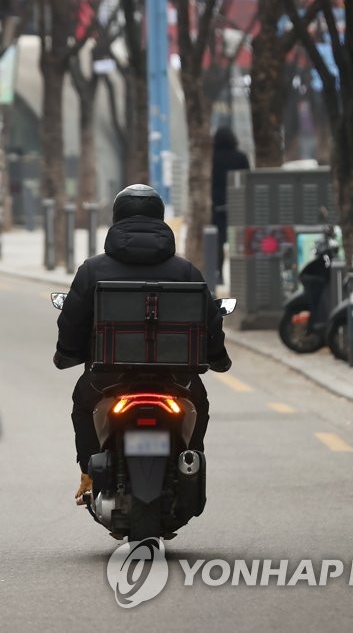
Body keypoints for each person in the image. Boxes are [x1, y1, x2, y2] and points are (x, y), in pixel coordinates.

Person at [54, 184, 231, 505]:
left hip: (108, 376)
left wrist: (67, 353)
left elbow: (72, 321)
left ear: (116, 218)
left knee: (83, 405)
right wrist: (218, 358)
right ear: (160, 218)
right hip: (176, 379)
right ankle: (189, 464)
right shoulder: (186, 271)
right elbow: (210, 322)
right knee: (200, 405)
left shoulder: (92, 269)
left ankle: (90, 474)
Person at [210, 127, 250, 282]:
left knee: (218, 242)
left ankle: (218, 274)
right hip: (237, 206)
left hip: (217, 205)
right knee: (238, 240)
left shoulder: (212, 158)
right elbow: (248, 180)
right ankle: (239, 275)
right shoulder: (240, 157)